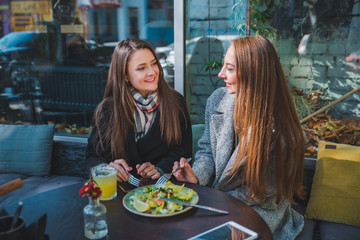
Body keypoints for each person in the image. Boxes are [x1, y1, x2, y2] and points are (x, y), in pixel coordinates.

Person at [173, 35, 305, 240]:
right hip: (215, 201)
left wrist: (209, 199)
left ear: (255, 74)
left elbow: (258, 194)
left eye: (230, 68)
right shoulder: (218, 99)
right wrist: (196, 176)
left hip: (258, 211)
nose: (221, 73)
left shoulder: (281, 131)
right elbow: (207, 149)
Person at [86, 38, 192, 182]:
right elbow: (92, 157)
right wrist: (106, 168)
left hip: (164, 192)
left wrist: (160, 169)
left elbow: (183, 151)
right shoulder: (109, 109)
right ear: (125, 76)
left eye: (154, 63)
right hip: (122, 191)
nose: (152, 72)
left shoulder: (175, 102)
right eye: (141, 68)